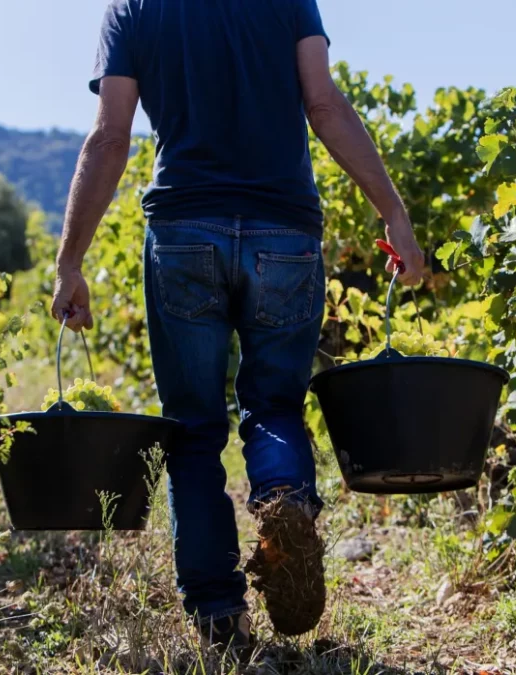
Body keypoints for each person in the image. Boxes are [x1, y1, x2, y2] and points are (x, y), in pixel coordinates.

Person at [50, 0, 425, 655]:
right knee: (275, 403)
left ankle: (220, 616)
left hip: (183, 232)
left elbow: (110, 136)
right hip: (285, 230)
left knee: (193, 429)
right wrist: (392, 210)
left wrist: (70, 261)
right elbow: (326, 104)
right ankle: (284, 502)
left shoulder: (133, 9)